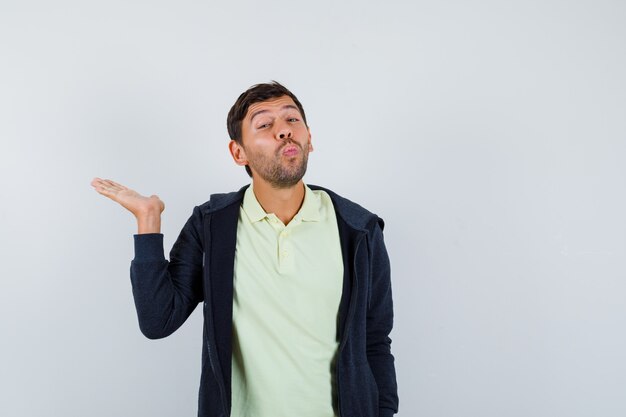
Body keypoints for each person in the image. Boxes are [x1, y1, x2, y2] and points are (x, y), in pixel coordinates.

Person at [90, 81, 398, 417]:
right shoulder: (212, 225)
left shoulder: (358, 229)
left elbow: (375, 339)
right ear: (239, 152)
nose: (284, 131)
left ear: (310, 138)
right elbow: (158, 320)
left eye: (292, 120)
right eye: (265, 124)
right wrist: (148, 222)